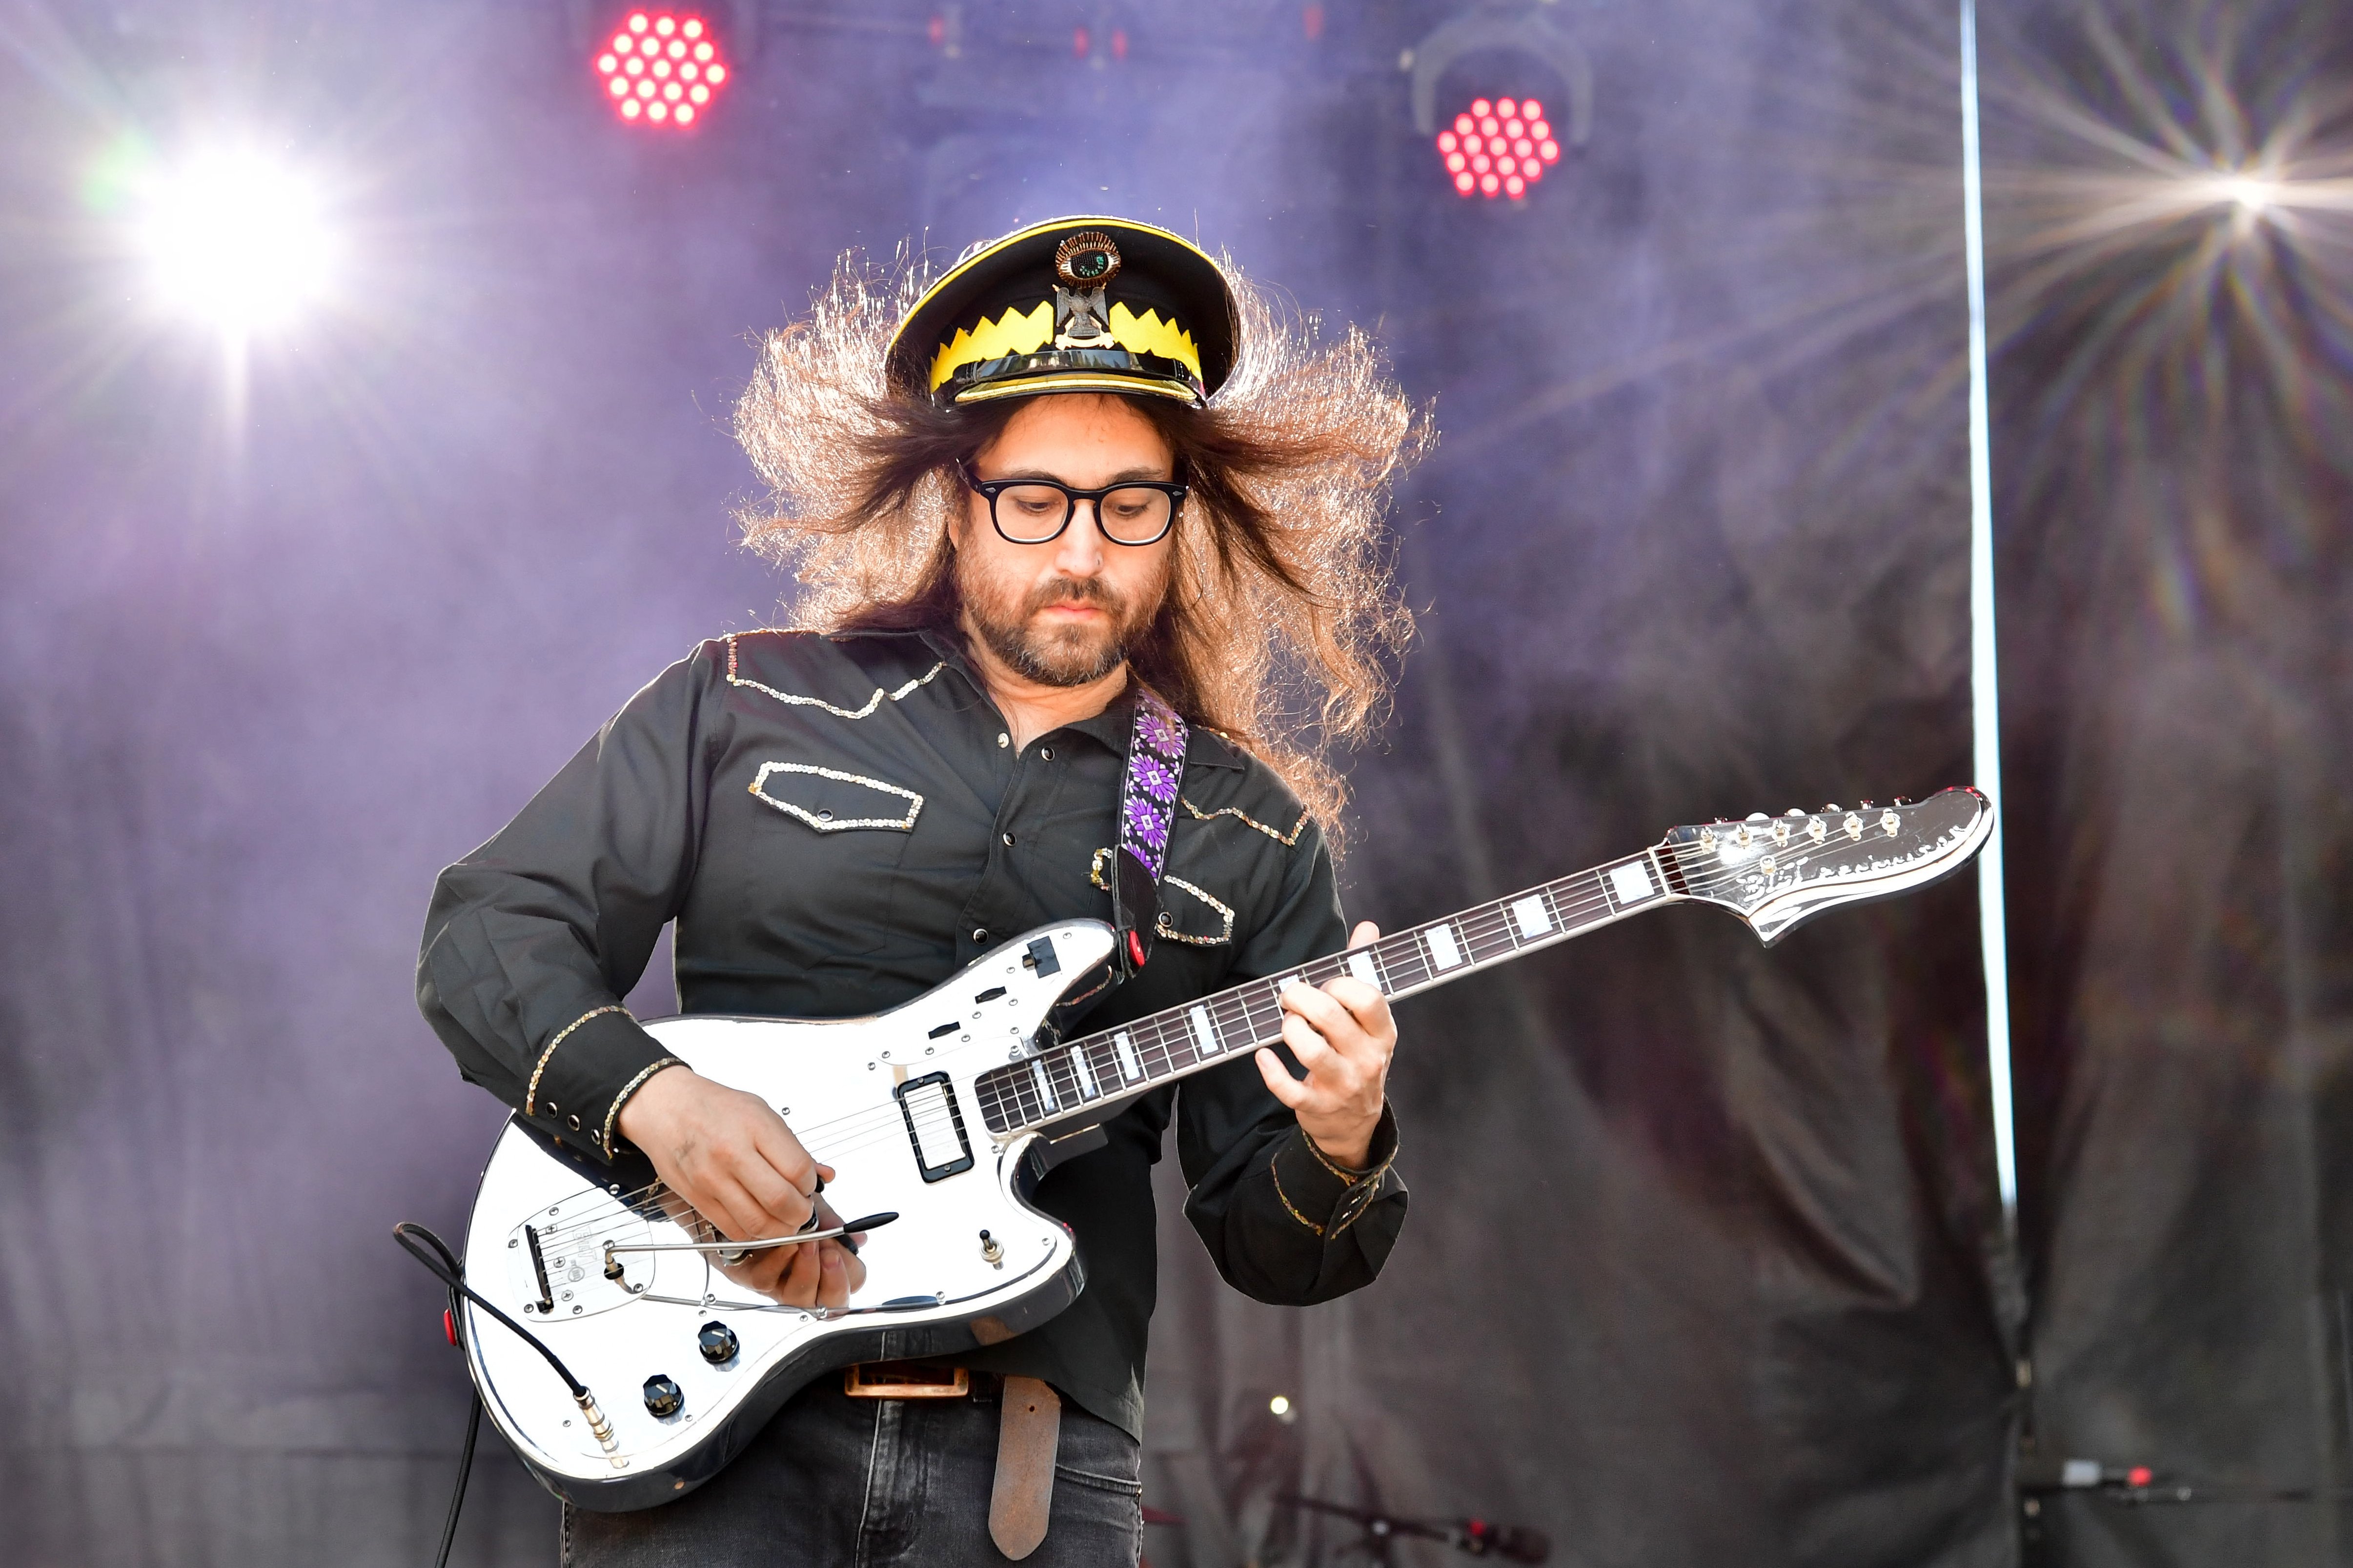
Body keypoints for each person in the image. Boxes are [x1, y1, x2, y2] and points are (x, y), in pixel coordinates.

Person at [417, 216, 1426, 1565]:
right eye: (1037, 500)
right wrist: (650, 1099)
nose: (1085, 550)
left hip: (1029, 1469)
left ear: (1182, 513)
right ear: (960, 497)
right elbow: (491, 926)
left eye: (1132, 504)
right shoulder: (748, 703)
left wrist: (1344, 1134)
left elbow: (1274, 1246)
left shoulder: (1245, 828)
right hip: (706, 1438)